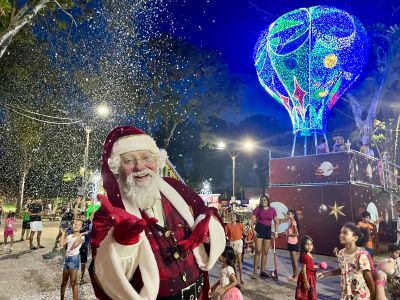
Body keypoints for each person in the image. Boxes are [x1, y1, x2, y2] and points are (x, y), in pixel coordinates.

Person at [89, 125, 225, 299]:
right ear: (116, 168)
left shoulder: (175, 189)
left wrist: (208, 229)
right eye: (129, 160)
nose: (140, 166)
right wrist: (123, 243)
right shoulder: (108, 215)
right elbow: (103, 279)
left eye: (146, 157)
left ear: (156, 160)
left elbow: (207, 212)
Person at [317, 222, 376, 299]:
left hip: (360, 296)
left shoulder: (360, 255)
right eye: (341, 233)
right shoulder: (341, 253)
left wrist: (373, 296)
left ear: (355, 238)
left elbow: (368, 278)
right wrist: (326, 274)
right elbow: (344, 269)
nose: (341, 235)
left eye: (345, 233)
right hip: (346, 294)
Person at [250, 195, 278, 279]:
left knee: (265, 252)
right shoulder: (258, 209)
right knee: (258, 251)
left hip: (268, 231)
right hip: (259, 229)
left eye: (265, 200)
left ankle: (262, 271)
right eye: (262, 200)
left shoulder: (272, 210)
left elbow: (277, 221)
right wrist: (253, 230)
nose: (263, 201)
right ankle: (254, 272)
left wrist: (276, 232)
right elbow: (251, 220)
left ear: (268, 201)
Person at [60, 219, 85, 300]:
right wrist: (63, 232)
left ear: (81, 227)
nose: (76, 226)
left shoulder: (82, 237)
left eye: (79, 225)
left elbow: (75, 245)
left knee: (73, 282)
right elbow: (61, 244)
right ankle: (62, 298)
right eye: (75, 224)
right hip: (67, 259)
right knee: (63, 282)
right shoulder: (69, 236)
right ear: (72, 225)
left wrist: (81, 234)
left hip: (74, 259)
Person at [75, 199, 95, 285]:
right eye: (81, 217)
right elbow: (75, 213)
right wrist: (77, 204)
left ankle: (82, 278)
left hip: (84, 245)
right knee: (75, 261)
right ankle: (75, 277)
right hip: (77, 245)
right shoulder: (77, 223)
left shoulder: (87, 222)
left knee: (83, 262)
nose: (82, 218)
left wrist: (92, 204)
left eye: (83, 216)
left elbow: (93, 213)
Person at [295, 235, 317, 300]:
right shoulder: (305, 256)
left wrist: (316, 267)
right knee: (304, 293)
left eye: (311, 244)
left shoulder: (309, 254)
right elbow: (303, 269)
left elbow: (309, 265)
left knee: (309, 292)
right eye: (307, 244)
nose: (309, 246)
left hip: (310, 276)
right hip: (307, 277)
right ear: (303, 245)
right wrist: (305, 281)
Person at [225, 214, 244, 284]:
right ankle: (236, 277)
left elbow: (244, 233)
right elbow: (225, 234)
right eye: (231, 216)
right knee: (234, 262)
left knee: (239, 259)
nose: (232, 217)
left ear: (236, 218)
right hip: (231, 243)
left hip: (239, 242)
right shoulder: (227, 226)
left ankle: (241, 275)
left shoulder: (240, 225)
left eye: (234, 216)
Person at [283, 208, 299, 281]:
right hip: (290, 242)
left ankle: (297, 276)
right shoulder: (290, 222)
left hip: (293, 242)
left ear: (293, 215)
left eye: (289, 214)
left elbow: (296, 233)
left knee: (294, 260)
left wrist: (288, 234)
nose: (288, 215)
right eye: (287, 213)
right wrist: (287, 232)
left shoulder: (294, 222)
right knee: (292, 260)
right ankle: (294, 275)